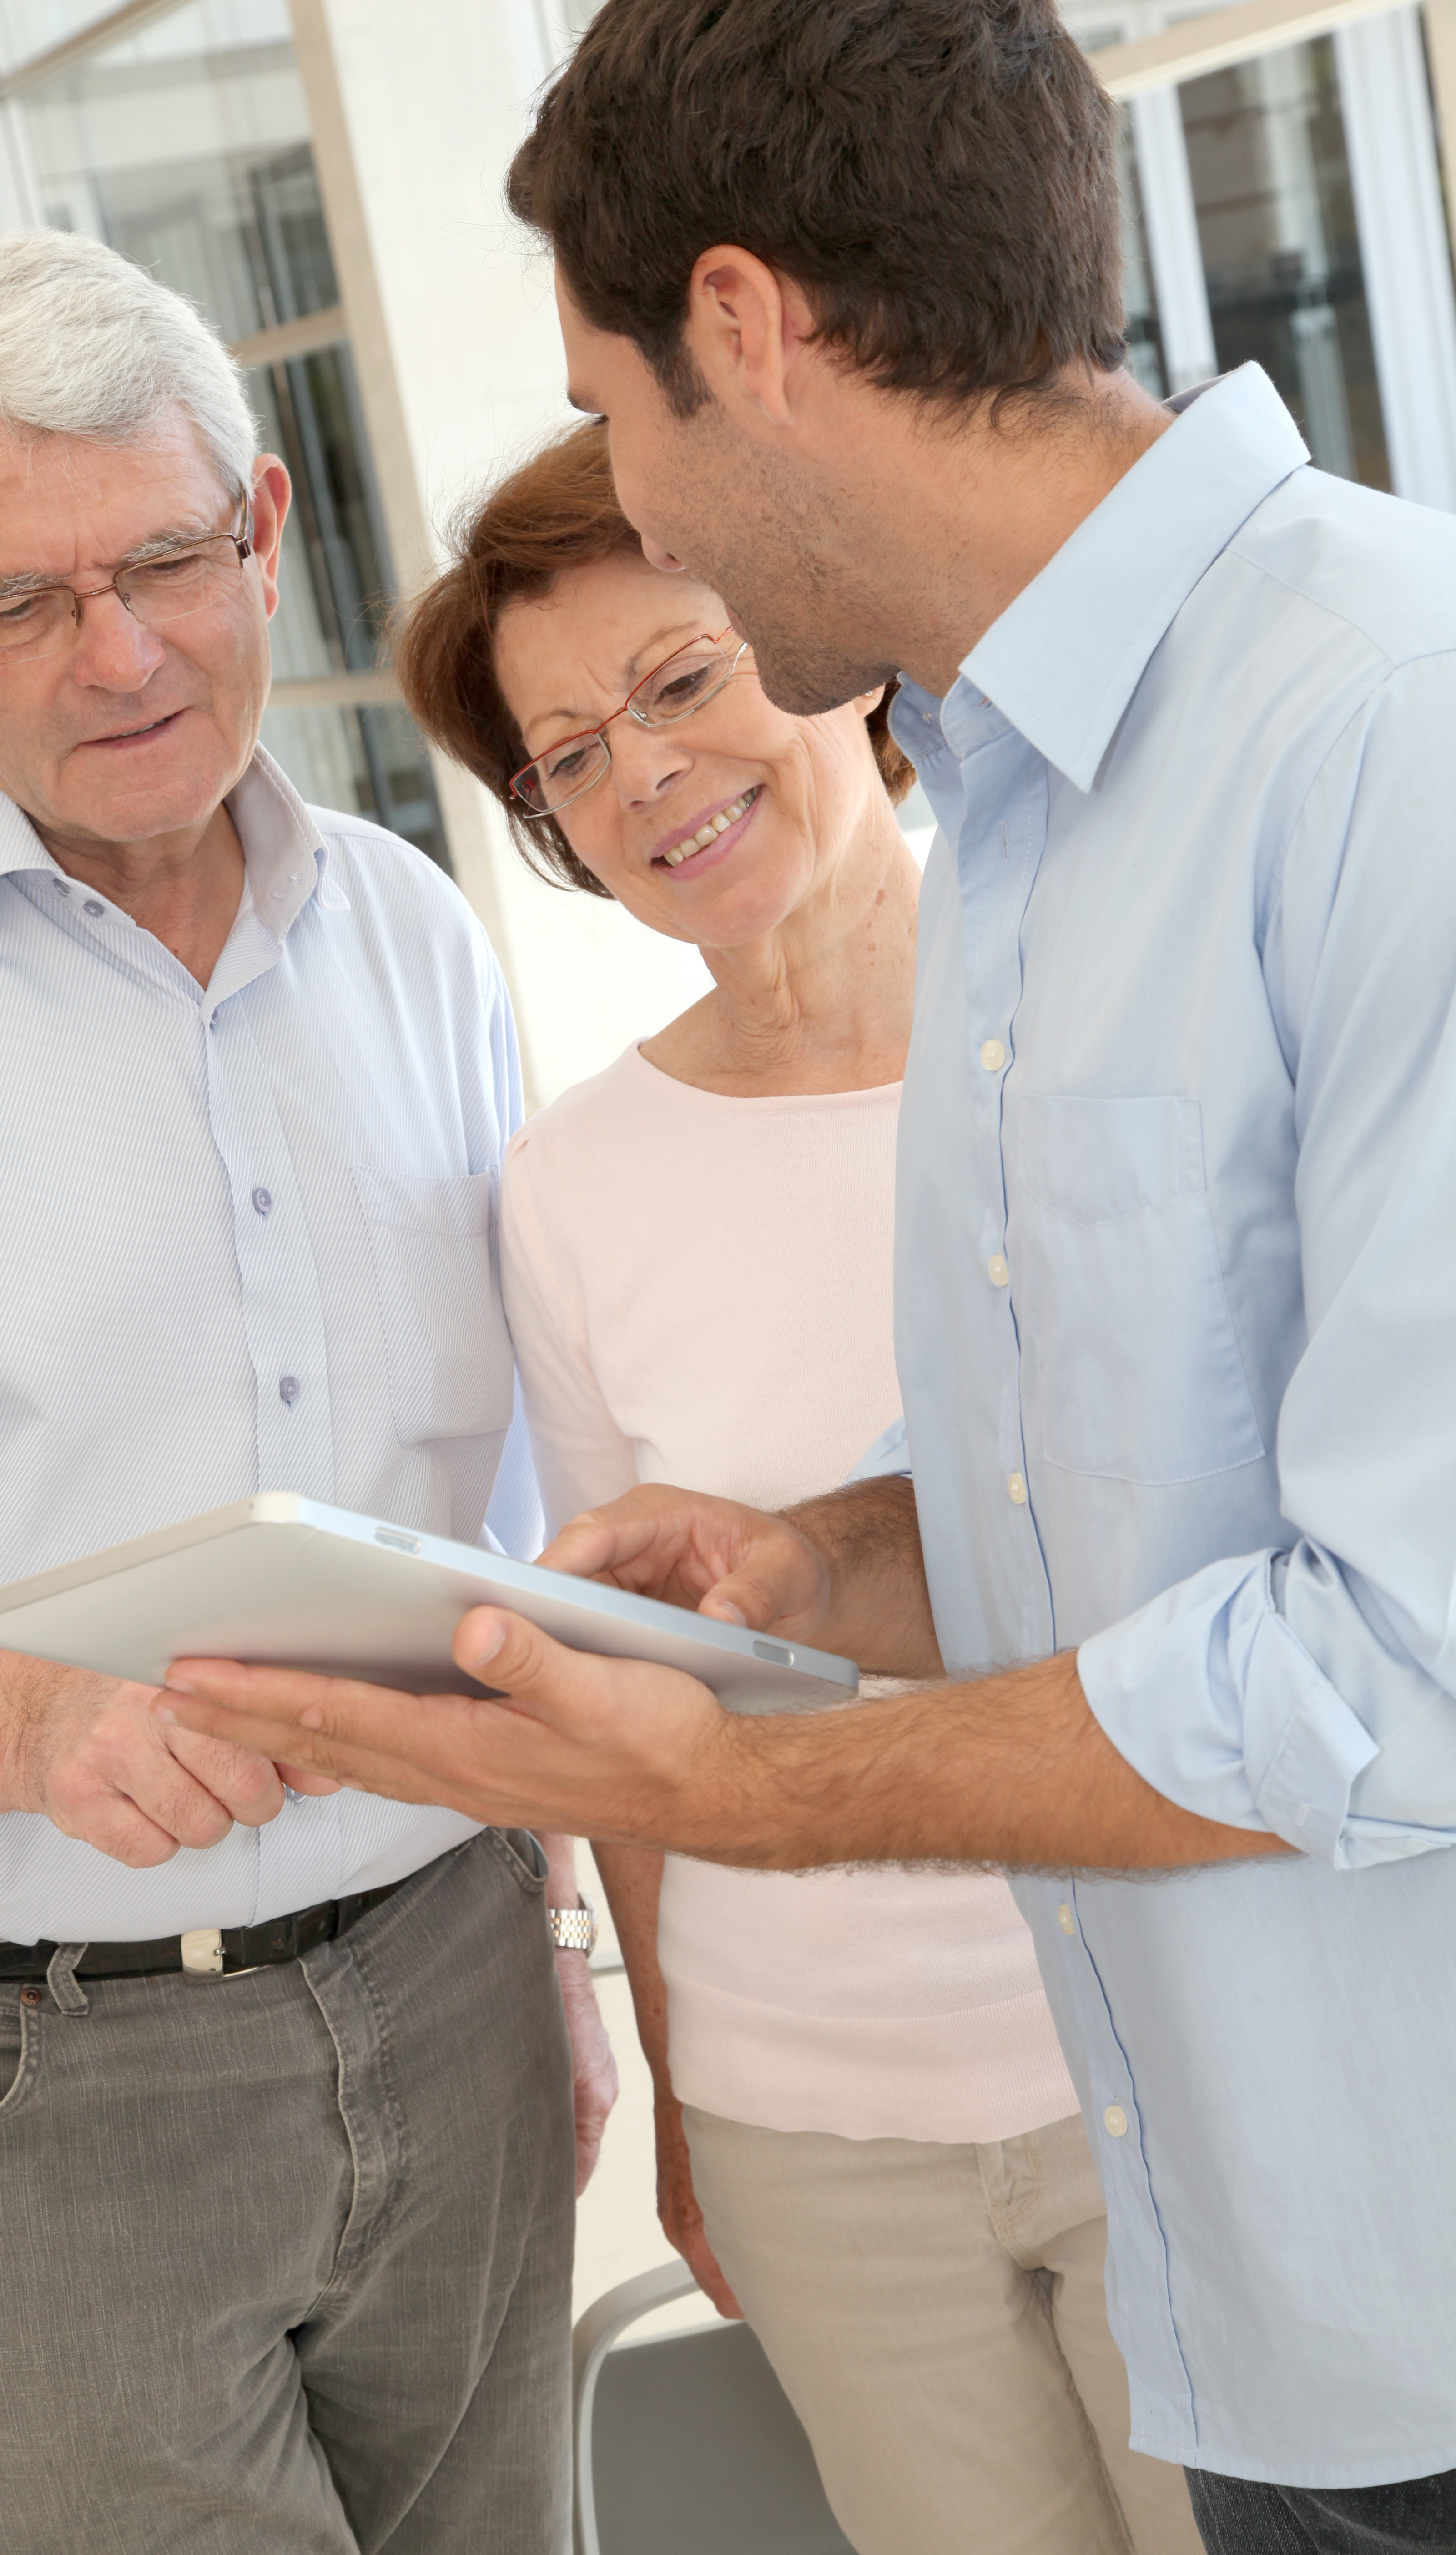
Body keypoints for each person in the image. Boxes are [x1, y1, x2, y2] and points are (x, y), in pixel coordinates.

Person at [164, 5, 1456, 2551]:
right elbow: (1115, 1463)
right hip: (1269, 2289)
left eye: (610, 411)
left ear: (743, 332)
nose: (631, 494)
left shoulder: (1382, 737)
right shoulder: (1019, 790)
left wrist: (740, 1791)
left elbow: (1404, 1654)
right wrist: (816, 1572)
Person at [0, 229, 615, 2555]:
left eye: (161, 558)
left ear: (263, 526)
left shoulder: (419, 940)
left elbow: (490, 1519)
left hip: (448, 1991)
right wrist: (43, 1729)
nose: (120, 654)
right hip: (19, 2075)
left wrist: (547, 1929)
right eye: (19, 602)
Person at [393, 419, 1198, 2555]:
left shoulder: (1098, 1036)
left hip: (1178, 2059)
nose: (641, 775)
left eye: (680, 681)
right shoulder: (568, 1186)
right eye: (568, 754)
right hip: (812, 2130)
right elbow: (625, 1693)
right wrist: (683, 2102)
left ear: (837, 650)